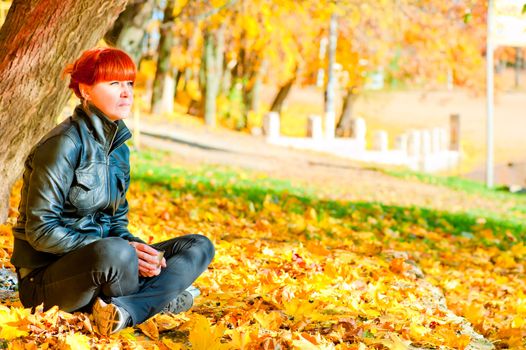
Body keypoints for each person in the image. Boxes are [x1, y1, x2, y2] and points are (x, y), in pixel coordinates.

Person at [10, 47, 215, 336]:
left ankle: (126, 310)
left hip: (108, 263)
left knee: (198, 245)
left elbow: (117, 224)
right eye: (114, 83)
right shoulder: (62, 144)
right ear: (85, 90)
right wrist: (123, 250)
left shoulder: (119, 152)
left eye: (129, 83)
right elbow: (42, 231)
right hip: (48, 280)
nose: (126, 93)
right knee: (118, 251)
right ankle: (158, 299)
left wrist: (144, 253)